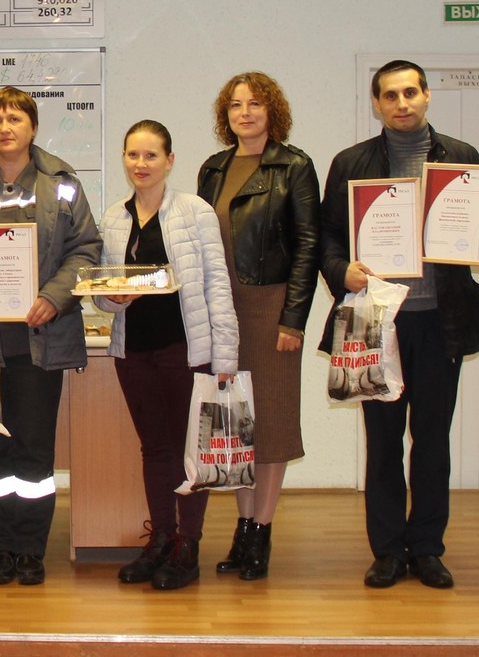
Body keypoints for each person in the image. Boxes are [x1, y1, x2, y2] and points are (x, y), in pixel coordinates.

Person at [318, 60, 479, 589]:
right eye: (390, 95)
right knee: (384, 441)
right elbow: (327, 238)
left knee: (433, 441)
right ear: (377, 104)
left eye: (410, 92)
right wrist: (341, 270)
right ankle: (388, 551)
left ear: (427, 95)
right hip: (377, 323)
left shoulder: (461, 158)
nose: (401, 103)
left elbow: (476, 231)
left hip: (440, 322)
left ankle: (428, 549)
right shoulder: (351, 162)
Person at [0, 86, 101, 586]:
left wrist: (55, 296)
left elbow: (85, 250)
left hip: (40, 336)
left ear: (33, 126)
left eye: (15, 119)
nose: (5, 128)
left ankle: (30, 549)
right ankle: (1, 548)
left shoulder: (63, 183)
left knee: (33, 449)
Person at [94, 120, 238, 590]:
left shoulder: (195, 212)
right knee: (154, 449)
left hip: (186, 349)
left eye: (151, 155)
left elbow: (217, 284)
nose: (141, 164)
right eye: (133, 155)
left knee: (189, 451)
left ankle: (187, 547)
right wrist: (109, 298)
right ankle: (161, 540)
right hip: (133, 350)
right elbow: (103, 291)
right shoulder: (114, 217)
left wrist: (226, 356)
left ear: (170, 161)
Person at [196, 73, 320, 581]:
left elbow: (308, 244)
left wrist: (294, 319)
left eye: (254, 104)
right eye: (235, 105)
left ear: (273, 111)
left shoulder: (294, 166)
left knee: (271, 423)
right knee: (236, 424)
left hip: (271, 308)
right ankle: (243, 528)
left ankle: (261, 533)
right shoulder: (213, 168)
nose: (244, 113)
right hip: (222, 311)